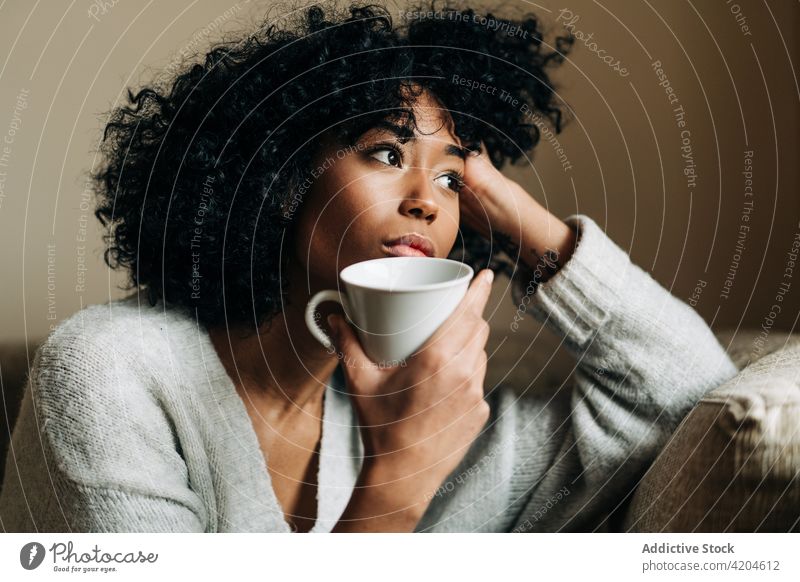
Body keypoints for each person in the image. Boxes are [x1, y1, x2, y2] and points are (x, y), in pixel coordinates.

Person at [0, 1, 738, 532]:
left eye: (450, 182)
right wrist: (397, 475)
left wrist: (508, 207)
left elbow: (692, 391)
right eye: (388, 155)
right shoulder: (110, 374)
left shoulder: (444, 421)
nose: (427, 201)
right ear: (283, 176)